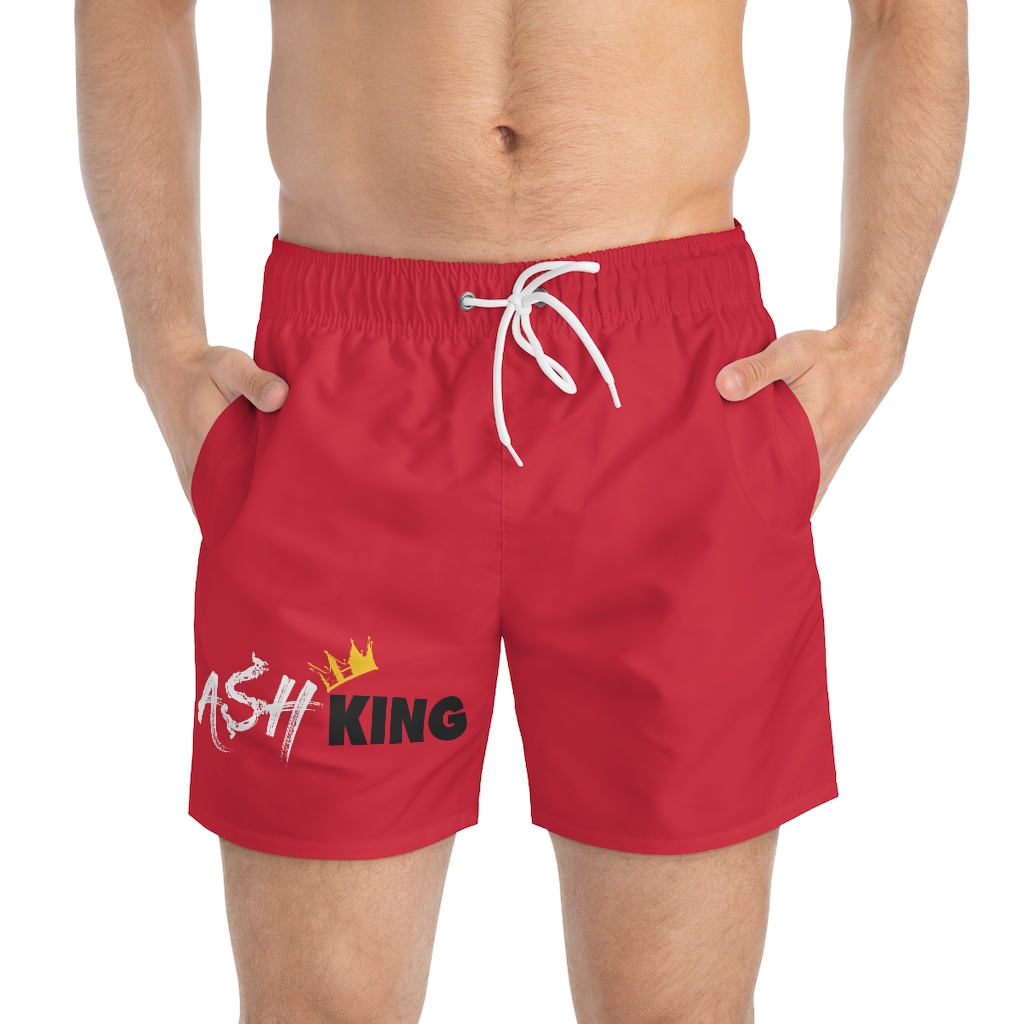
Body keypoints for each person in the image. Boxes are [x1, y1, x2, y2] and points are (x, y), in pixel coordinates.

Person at [75, 0, 968, 1020]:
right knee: (319, 1005)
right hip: (344, 388)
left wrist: (877, 331)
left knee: (674, 1010)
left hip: (671, 385)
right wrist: (162, 343)